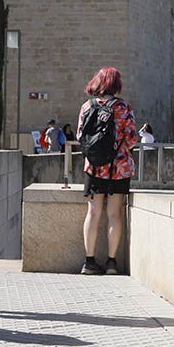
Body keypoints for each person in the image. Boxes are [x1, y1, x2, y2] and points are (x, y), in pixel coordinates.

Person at [76, 66, 137, 276]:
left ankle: (89, 261)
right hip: (118, 168)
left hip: (93, 168)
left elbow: (80, 136)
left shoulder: (87, 106)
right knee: (114, 214)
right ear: (116, 84)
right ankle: (111, 262)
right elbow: (131, 138)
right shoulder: (123, 107)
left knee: (93, 213)